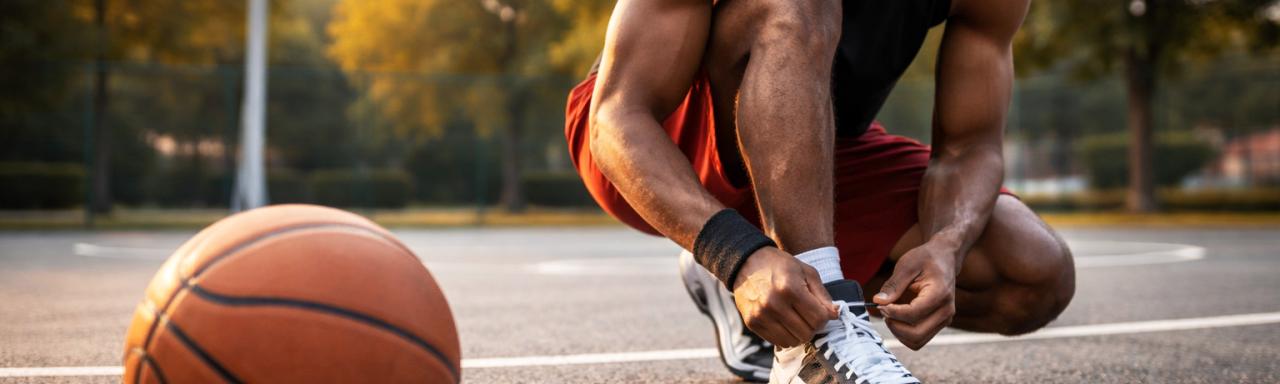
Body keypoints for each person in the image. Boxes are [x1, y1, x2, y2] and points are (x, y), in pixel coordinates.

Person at [563, 0, 1076, 382]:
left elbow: (970, 147)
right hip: (660, 132)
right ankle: (814, 333)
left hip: (815, 143)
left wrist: (947, 244)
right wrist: (735, 254)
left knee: (1031, 272)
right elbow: (617, 118)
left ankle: (786, 296)